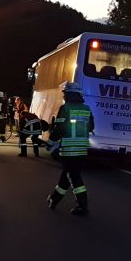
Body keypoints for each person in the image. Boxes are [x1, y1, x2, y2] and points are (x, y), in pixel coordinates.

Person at [47, 81, 94, 215]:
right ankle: (53, 199)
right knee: (67, 176)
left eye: (65, 93)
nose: (64, 96)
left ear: (68, 94)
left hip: (69, 150)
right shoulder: (87, 109)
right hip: (82, 150)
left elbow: (59, 128)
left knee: (74, 177)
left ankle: (83, 206)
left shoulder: (65, 108)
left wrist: (50, 142)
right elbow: (91, 127)